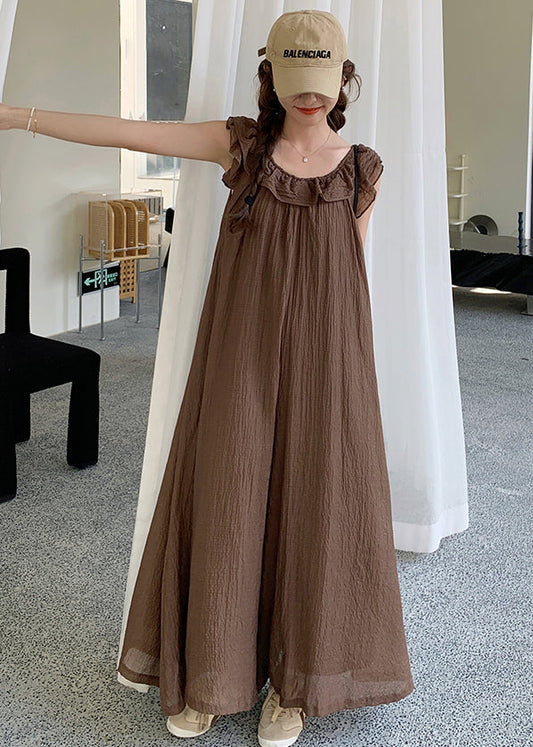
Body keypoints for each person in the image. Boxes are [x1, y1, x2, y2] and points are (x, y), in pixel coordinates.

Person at [0, 8, 414, 746]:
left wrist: (350, 381)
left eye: (320, 83)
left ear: (342, 80)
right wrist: (17, 116)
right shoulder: (242, 147)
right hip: (240, 355)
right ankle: (212, 674)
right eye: (295, 80)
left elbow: (348, 282)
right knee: (228, 494)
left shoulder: (361, 170)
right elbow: (131, 132)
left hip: (327, 363)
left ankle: (292, 687)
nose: (308, 97)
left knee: (313, 504)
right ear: (272, 76)